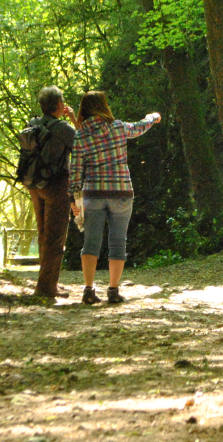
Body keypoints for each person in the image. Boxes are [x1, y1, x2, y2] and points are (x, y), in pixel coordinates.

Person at [69, 90, 160, 304]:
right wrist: (153, 117)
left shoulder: (80, 135)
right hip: (121, 192)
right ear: (103, 107)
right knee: (118, 242)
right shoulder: (118, 127)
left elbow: (75, 171)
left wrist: (74, 200)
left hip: (93, 194)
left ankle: (89, 290)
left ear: (84, 109)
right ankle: (113, 290)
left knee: (90, 243)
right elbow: (139, 127)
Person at [28, 85, 78, 299]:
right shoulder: (64, 128)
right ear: (59, 105)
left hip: (33, 185)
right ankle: (46, 288)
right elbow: (85, 146)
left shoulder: (32, 124)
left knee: (43, 234)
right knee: (55, 237)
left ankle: (47, 283)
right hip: (56, 186)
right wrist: (75, 120)